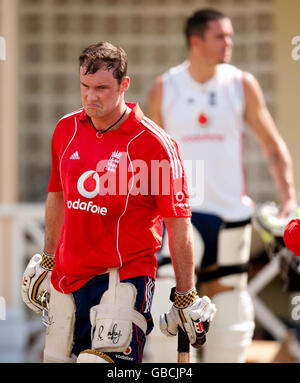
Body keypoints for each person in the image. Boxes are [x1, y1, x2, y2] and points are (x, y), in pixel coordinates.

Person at [20, 41, 216, 363]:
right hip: (68, 278)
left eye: (101, 88)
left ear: (125, 84)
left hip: (124, 277)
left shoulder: (155, 144)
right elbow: (56, 196)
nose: (90, 96)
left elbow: (178, 223)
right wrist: (48, 257)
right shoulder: (65, 129)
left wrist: (185, 295)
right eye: (84, 86)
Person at [146, 8, 297, 363]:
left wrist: (288, 199)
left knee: (229, 319)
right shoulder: (164, 87)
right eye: (220, 37)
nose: (229, 43)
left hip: (231, 215)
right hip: (180, 215)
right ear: (195, 41)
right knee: (169, 304)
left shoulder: (240, 84)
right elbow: (151, 159)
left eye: (230, 36)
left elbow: (272, 145)